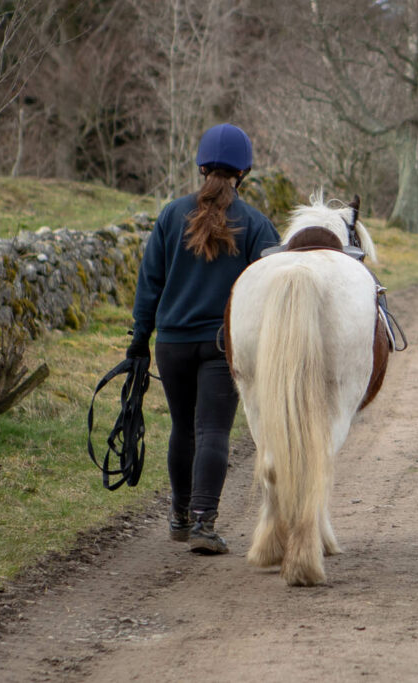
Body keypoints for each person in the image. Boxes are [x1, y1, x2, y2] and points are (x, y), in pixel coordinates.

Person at [128, 123, 280, 555]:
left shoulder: (170, 215)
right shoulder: (255, 224)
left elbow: (149, 284)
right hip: (219, 345)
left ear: (201, 165)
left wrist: (139, 340)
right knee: (213, 429)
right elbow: (270, 288)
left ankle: (178, 517)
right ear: (243, 172)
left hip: (171, 343)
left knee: (183, 428)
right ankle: (202, 524)